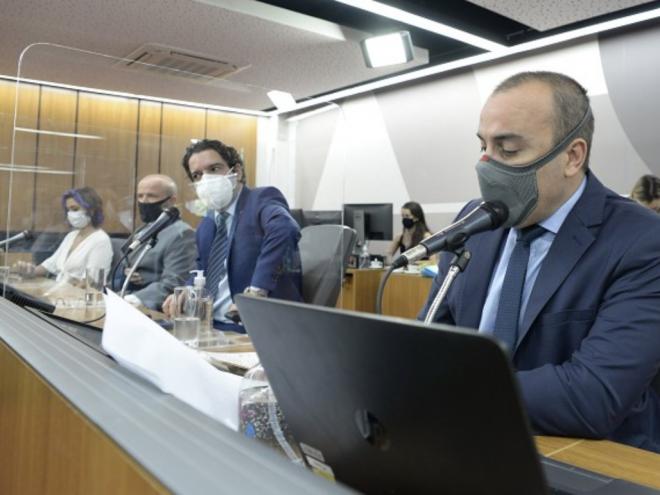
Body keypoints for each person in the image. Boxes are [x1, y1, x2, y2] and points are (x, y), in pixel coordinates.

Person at [420, 71, 660, 452]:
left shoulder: (642, 241)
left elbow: (594, 394)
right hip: (465, 445)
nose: (486, 165)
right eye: (483, 145)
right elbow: (430, 339)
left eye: (508, 150)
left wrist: (455, 388)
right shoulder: (473, 222)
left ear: (572, 156)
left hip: (580, 459)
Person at [162, 139, 302, 331]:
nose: (206, 179)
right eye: (197, 175)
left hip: (253, 327)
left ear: (237, 171)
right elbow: (202, 269)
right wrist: (187, 290)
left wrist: (256, 292)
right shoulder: (206, 225)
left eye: (214, 169)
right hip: (208, 325)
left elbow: (284, 228)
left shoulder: (261, 200)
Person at [118, 174, 196, 310]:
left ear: (171, 201)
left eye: (151, 196)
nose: (144, 201)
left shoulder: (182, 234)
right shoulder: (145, 228)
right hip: (125, 295)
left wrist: (133, 298)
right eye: (140, 196)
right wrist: (127, 273)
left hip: (152, 307)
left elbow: (174, 283)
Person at [14, 187, 113, 282]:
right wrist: (29, 270)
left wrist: (65, 284)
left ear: (91, 211)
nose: (70, 214)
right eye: (68, 210)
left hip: (75, 293)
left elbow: (93, 282)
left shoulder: (101, 241)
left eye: (75, 209)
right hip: (59, 290)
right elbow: (50, 265)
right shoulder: (72, 235)